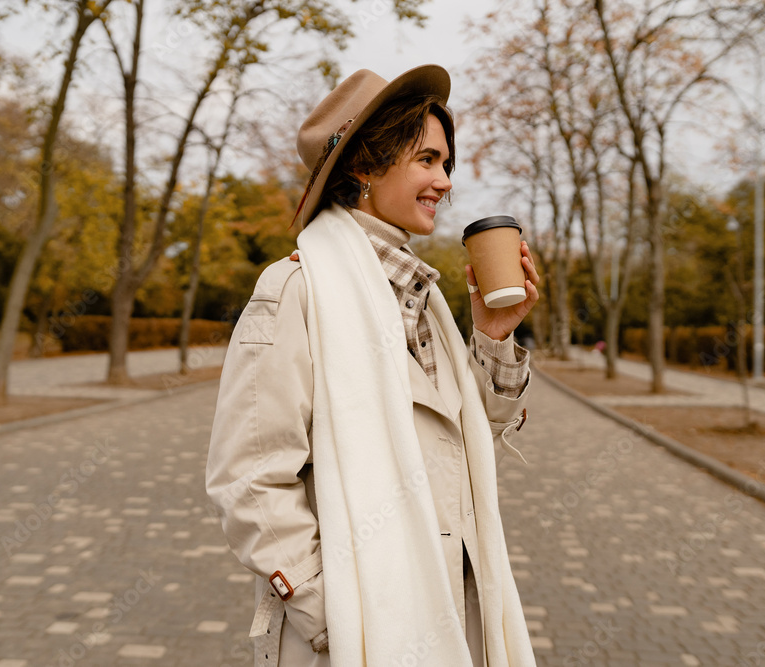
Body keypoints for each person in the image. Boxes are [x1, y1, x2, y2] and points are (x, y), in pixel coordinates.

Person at [206, 65, 540, 666]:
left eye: (446, 163)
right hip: (357, 627)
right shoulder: (296, 291)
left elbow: (465, 444)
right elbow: (250, 479)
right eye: (426, 160)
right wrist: (328, 611)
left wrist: (493, 337)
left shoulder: (423, 299)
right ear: (364, 165)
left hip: (450, 607)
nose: (444, 181)